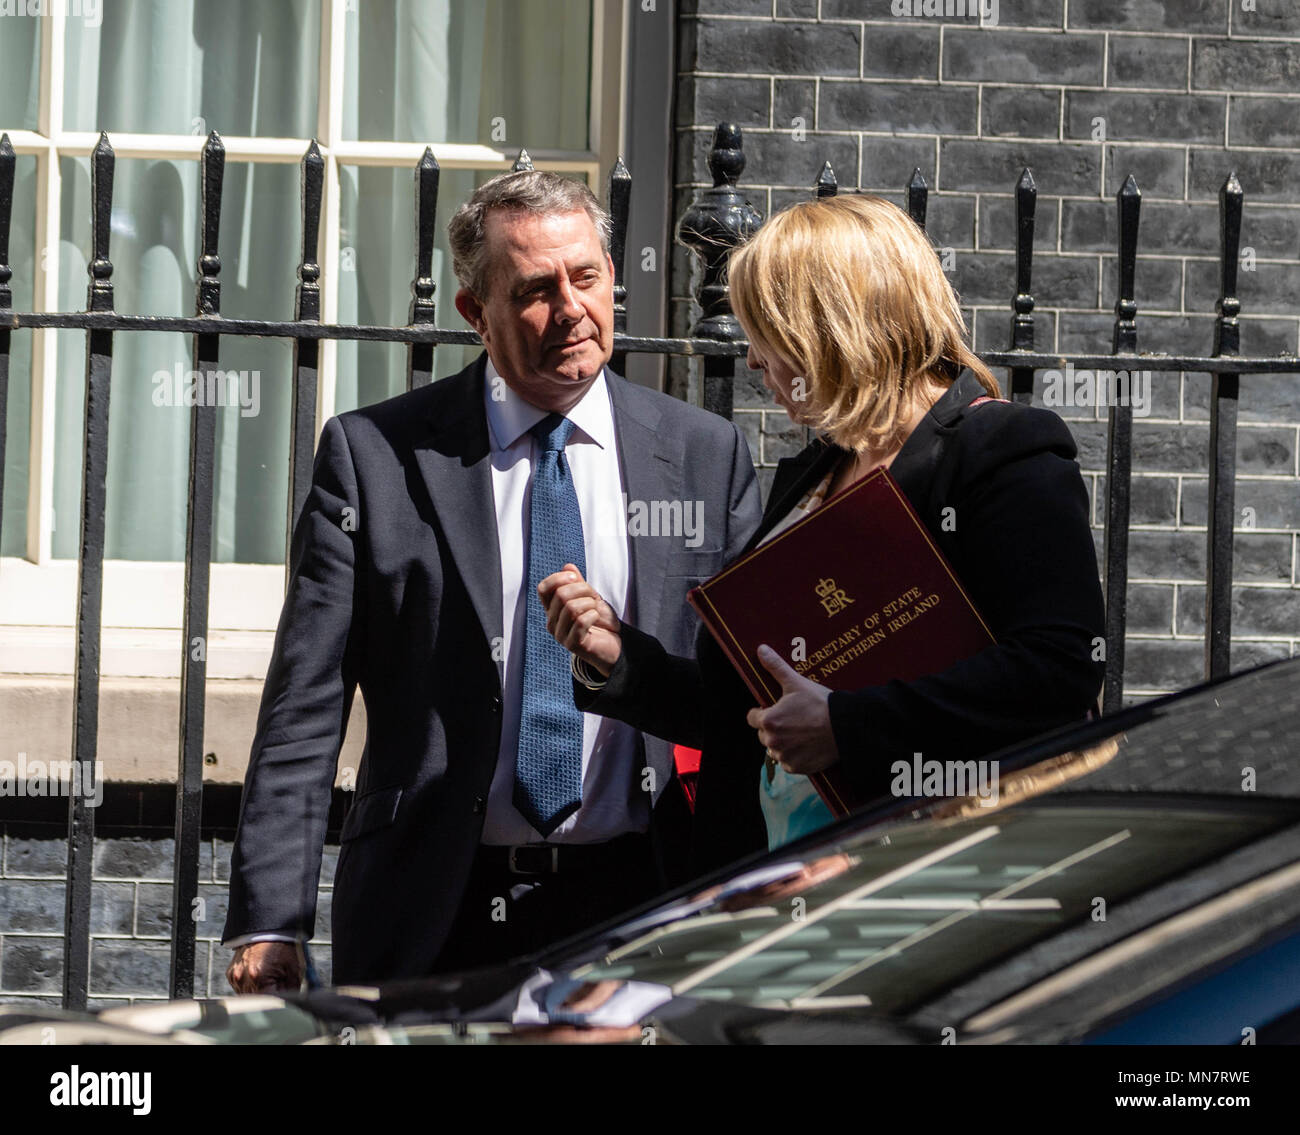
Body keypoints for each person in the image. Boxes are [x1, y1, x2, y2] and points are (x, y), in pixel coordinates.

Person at [222, 170, 762, 991]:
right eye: (537, 290)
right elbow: (305, 703)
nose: (572, 308)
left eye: (587, 277)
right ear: (476, 313)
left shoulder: (701, 455)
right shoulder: (376, 459)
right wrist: (271, 917)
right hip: (438, 907)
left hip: (647, 898)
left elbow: (741, 698)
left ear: (614, 279)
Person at [540, 193, 1106, 872]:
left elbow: (1057, 669)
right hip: (782, 876)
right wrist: (619, 656)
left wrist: (846, 727)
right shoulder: (815, 470)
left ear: (827, 330)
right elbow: (751, 710)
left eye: (764, 335)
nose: (752, 362)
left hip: (931, 873)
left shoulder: (1000, 448)